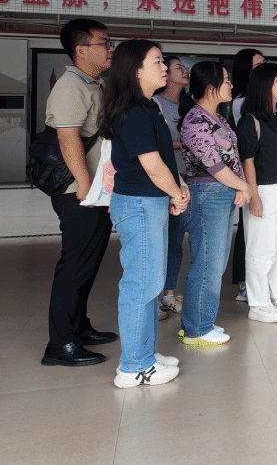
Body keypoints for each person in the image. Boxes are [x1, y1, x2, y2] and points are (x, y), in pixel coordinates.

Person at [100, 39, 190, 387]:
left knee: (150, 283)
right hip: (138, 204)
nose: (165, 67)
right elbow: (151, 166)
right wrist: (177, 192)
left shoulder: (147, 107)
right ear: (136, 70)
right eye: (157, 62)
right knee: (141, 285)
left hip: (149, 202)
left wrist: (177, 187)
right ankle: (134, 366)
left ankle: (145, 354)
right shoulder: (134, 112)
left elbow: (163, 160)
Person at [41, 18, 119, 367]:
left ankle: (79, 326)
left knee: (88, 263)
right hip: (78, 191)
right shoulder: (71, 86)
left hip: (94, 191)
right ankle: (61, 343)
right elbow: (67, 138)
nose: (110, 49)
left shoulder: (94, 83)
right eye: (105, 43)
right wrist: (86, 188)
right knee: (75, 265)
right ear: (81, 50)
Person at [177, 61, 248, 343]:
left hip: (222, 193)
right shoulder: (195, 120)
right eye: (226, 80)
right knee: (208, 263)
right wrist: (243, 186)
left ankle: (202, 321)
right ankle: (197, 329)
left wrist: (239, 185)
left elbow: (233, 158)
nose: (230, 85)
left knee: (214, 263)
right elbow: (214, 165)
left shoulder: (217, 117)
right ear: (210, 87)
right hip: (208, 195)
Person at [238, 63, 277, 322]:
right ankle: (259, 303)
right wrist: (253, 196)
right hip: (264, 188)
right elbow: (248, 161)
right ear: (265, 85)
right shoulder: (250, 120)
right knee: (261, 247)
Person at [228, 47, 265, 303]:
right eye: (259, 65)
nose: (265, 67)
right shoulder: (242, 101)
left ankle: (255, 279)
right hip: (251, 169)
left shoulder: (260, 98)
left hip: (264, 170)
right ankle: (243, 281)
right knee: (248, 227)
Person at [153, 57, 189, 317]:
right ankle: (154, 297)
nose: (184, 71)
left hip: (186, 179)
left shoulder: (188, 105)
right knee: (160, 240)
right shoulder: (155, 104)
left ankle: (168, 295)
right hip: (165, 180)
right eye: (179, 67)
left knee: (176, 240)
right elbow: (157, 144)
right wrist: (186, 144)